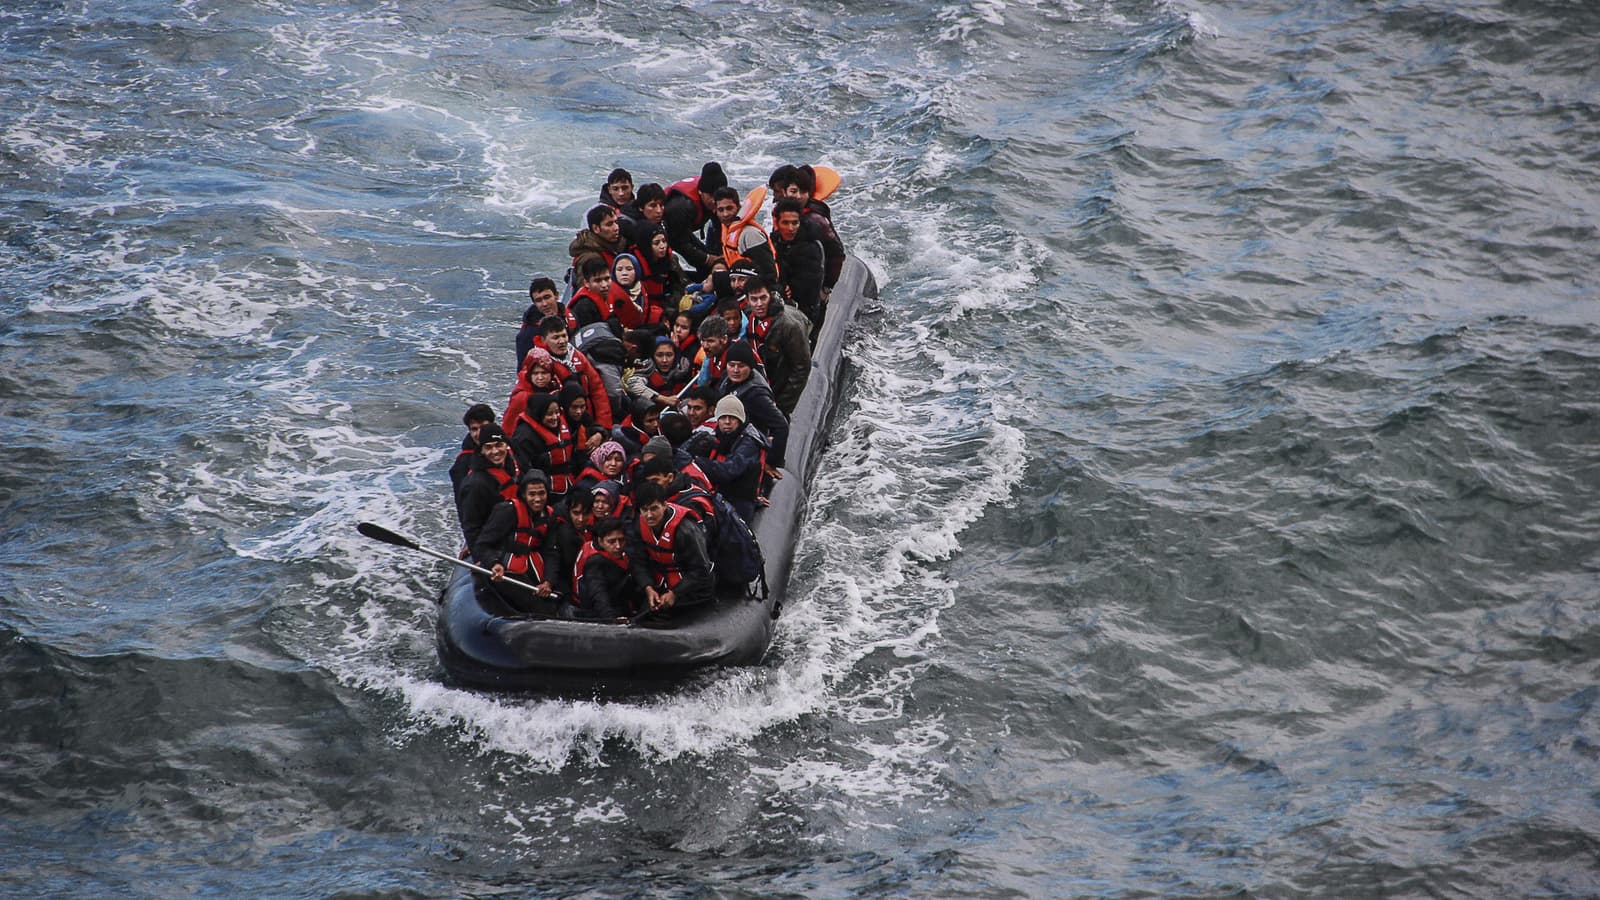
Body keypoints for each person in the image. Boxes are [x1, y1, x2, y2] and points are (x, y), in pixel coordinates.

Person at [471, 469, 562, 609]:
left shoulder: (550, 516)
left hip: (532, 569)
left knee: (557, 599)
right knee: (540, 608)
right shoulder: (507, 511)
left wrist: (548, 581)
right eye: (532, 494)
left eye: (541, 493)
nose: (537, 499)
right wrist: (494, 563)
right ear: (524, 495)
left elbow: (551, 551)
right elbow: (482, 545)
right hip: (505, 570)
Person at [630, 480, 715, 612]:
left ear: (664, 505)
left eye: (654, 508)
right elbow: (638, 561)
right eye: (644, 510)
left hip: (690, 585)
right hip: (660, 580)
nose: (649, 515)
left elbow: (701, 570)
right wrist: (648, 587)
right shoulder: (639, 526)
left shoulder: (686, 530)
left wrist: (675, 593)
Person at [693, 394, 769, 523]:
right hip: (719, 495)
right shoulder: (712, 437)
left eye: (732, 418)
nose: (727, 422)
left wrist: (696, 462)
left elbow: (730, 470)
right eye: (723, 418)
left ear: (740, 420)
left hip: (739, 501)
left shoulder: (748, 444)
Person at [742, 277, 811, 416]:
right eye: (754, 299)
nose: (759, 304)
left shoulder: (789, 326)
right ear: (747, 300)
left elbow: (801, 369)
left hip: (780, 384)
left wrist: (782, 406)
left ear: (771, 295)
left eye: (763, 298)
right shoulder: (748, 316)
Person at [717, 341, 788, 470]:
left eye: (741, 366)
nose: (735, 370)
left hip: (748, 448)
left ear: (750, 367)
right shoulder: (727, 382)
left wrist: (771, 462)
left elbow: (781, 426)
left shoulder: (756, 395)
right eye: (731, 365)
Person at [772, 166, 844, 294]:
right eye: (794, 191)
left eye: (803, 192)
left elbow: (836, 254)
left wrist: (827, 287)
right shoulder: (780, 214)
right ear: (785, 192)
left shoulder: (816, 220)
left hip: (811, 283)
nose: (798, 197)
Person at [539, 315, 613, 429]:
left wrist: (603, 426)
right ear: (543, 340)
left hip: (585, 419)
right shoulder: (538, 363)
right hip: (558, 424)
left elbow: (597, 390)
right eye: (555, 337)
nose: (562, 341)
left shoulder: (577, 356)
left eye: (564, 336)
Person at [569, 517, 646, 621]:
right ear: (601, 541)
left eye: (621, 540)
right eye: (612, 541)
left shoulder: (621, 553)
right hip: (594, 612)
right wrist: (611, 619)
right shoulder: (594, 562)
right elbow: (598, 593)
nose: (618, 546)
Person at [455, 424, 519, 549]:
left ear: (506, 445)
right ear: (482, 451)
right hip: (494, 544)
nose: (495, 451)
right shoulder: (475, 485)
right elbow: (472, 528)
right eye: (489, 447)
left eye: (499, 445)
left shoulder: (511, 467)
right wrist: (483, 558)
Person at [662, 162, 728, 276]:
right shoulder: (682, 206)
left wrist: (723, 255)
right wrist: (706, 259)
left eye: (717, 197)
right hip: (669, 229)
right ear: (701, 192)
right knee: (705, 262)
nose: (714, 201)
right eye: (710, 196)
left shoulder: (718, 200)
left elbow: (721, 229)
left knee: (717, 260)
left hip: (683, 229)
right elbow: (678, 242)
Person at [771, 197, 826, 334]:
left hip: (804, 310)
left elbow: (808, 289)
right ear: (777, 223)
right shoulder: (773, 242)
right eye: (785, 223)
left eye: (795, 223)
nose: (791, 228)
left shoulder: (810, 248)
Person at [510, 393, 578, 502]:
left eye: (557, 412)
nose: (555, 417)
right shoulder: (523, 437)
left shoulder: (560, 425)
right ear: (539, 413)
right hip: (544, 493)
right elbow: (524, 470)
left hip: (568, 485)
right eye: (549, 414)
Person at [707, 186, 777, 283]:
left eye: (729, 208)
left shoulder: (750, 234)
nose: (725, 214)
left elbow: (769, 273)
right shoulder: (726, 229)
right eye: (721, 210)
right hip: (738, 281)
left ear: (738, 207)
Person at [626, 335, 695, 411]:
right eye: (659, 355)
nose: (665, 360)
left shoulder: (683, 369)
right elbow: (632, 385)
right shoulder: (646, 371)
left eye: (669, 355)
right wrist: (663, 399)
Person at [637, 224, 685, 323]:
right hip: (648, 312)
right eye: (656, 243)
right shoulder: (637, 266)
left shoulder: (670, 259)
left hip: (668, 305)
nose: (662, 246)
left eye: (664, 241)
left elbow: (681, 283)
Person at [449, 403, 498, 494]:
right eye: (474, 429)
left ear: (494, 425)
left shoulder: (508, 448)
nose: (479, 433)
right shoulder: (463, 464)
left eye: (484, 427)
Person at [518, 276, 566, 366]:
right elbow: (523, 369)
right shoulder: (527, 334)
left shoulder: (571, 317)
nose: (544, 304)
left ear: (556, 295)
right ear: (534, 303)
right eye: (539, 300)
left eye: (547, 297)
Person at [568, 254, 617, 329]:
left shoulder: (613, 295)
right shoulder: (584, 306)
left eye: (607, 279)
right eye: (598, 281)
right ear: (586, 283)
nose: (604, 285)